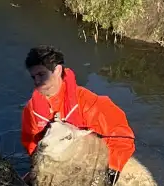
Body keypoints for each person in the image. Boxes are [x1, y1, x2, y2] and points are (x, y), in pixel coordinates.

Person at [21, 46, 135, 184]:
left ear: (57, 70)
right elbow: (30, 143)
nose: (37, 82)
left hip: (87, 166)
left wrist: (110, 173)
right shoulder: (32, 109)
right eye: (33, 77)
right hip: (53, 165)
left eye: (41, 75)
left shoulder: (88, 103)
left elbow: (122, 137)